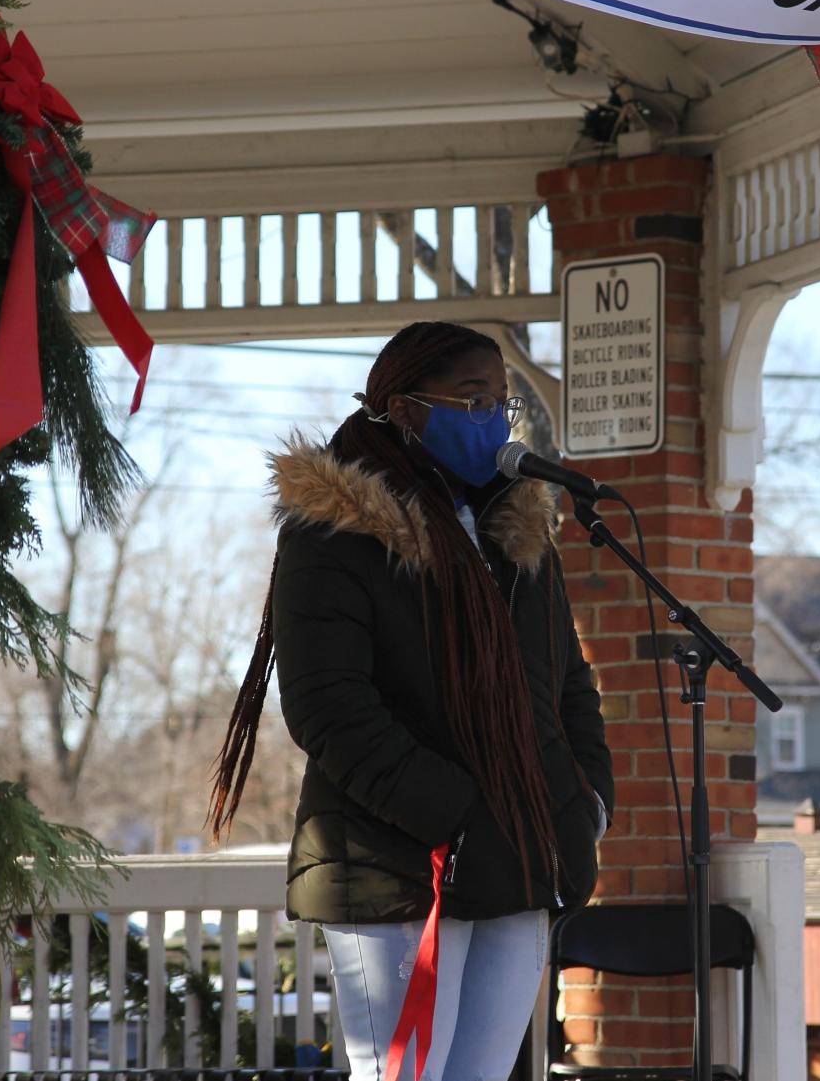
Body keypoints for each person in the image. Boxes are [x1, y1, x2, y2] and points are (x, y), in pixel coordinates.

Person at [210, 321, 613, 1081]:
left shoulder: (518, 531)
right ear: (404, 410)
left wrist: (585, 800)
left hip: (520, 856)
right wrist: (456, 815)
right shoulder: (336, 534)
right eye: (471, 398)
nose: (493, 417)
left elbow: (567, 685)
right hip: (396, 863)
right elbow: (327, 706)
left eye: (500, 399)